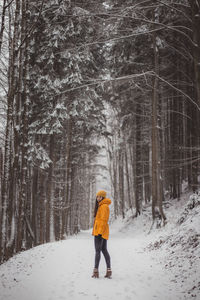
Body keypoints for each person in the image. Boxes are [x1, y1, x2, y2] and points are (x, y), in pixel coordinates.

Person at [92, 190, 112, 279]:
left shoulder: (104, 206)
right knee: (104, 250)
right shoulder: (101, 206)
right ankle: (109, 270)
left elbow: (104, 220)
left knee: (98, 251)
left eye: (100, 197)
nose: (98, 198)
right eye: (97, 196)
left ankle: (95, 271)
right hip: (102, 231)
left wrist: (99, 232)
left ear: (103, 197)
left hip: (100, 232)